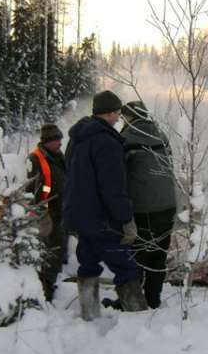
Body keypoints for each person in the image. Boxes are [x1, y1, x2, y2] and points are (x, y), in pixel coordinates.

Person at [63, 91, 148, 320]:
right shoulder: (107, 142)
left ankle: (89, 315)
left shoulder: (77, 138)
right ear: (109, 113)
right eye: (118, 113)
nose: (119, 117)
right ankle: (139, 320)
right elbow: (113, 188)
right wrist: (126, 219)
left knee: (88, 264)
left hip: (80, 216)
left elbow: (70, 175)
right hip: (102, 220)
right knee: (126, 267)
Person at [119, 100, 177, 309]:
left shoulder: (125, 138)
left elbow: (120, 175)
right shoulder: (161, 135)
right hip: (168, 205)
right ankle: (153, 299)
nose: (122, 121)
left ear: (130, 118)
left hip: (142, 207)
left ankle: (132, 301)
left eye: (124, 117)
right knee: (158, 254)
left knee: (137, 254)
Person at [27, 123, 67, 301]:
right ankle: (44, 291)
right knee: (49, 252)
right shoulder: (35, 159)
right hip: (45, 213)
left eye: (60, 139)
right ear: (47, 141)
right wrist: (39, 212)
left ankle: (50, 285)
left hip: (60, 210)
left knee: (58, 250)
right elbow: (29, 189)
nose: (60, 142)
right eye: (56, 139)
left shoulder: (58, 156)